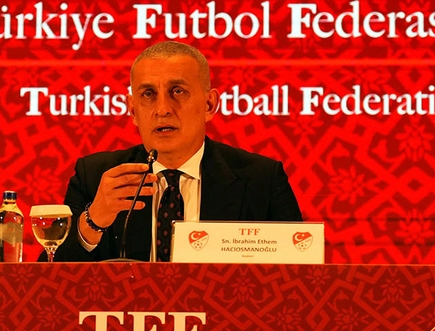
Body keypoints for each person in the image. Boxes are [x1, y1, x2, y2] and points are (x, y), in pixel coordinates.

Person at [48, 41, 302, 262]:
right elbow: (51, 282)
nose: (162, 109)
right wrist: (92, 222)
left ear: (209, 104)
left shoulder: (261, 180)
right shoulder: (96, 177)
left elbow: (299, 278)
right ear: (133, 111)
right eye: (148, 94)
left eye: (177, 91)